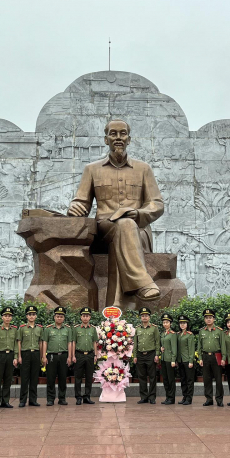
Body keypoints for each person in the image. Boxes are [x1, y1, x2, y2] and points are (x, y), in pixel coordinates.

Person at [67, 119, 165, 303]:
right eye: (113, 134)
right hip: (103, 230)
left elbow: (157, 204)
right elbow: (81, 202)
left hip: (139, 229)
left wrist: (139, 214)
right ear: (106, 139)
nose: (118, 138)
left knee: (126, 226)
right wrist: (75, 207)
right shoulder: (92, 169)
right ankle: (142, 284)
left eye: (123, 134)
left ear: (129, 139)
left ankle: (113, 315)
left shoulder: (144, 169)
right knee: (123, 227)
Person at [41, 306, 72, 406]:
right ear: (54, 317)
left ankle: (62, 398)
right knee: (51, 378)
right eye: (58, 316)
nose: (59, 318)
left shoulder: (68, 329)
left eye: (61, 316)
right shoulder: (48, 329)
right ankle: (50, 399)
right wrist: (43, 356)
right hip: (51, 356)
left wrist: (70, 356)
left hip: (63, 355)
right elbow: (44, 342)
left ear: (64, 318)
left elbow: (69, 343)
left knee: (63, 378)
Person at [197, 308, 226, 407]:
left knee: (218, 379)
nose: (208, 319)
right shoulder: (201, 331)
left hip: (216, 356)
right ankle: (209, 398)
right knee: (207, 379)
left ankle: (219, 399)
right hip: (205, 356)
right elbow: (199, 346)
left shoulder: (219, 331)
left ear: (214, 319)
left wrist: (223, 358)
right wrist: (200, 358)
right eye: (206, 318)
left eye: (210, 317)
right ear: (204, 320)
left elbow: (223, 345)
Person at [0, 306, 18, 409]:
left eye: (9, 316)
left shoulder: (14, 330)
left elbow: (15, 344)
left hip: (10, 355)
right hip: (0, 355)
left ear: (11, 318)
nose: (7, 318)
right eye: (5, 316)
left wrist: (15, 357)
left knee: (8, 379)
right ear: (2, 317)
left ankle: (5, 400)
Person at [133, 306, 160, 404]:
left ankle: (152, 397)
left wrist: (157, 354)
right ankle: (144, 396)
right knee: (142, 376)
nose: (144, 317)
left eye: (146, 316)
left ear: (149, 317)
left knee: (152, 377)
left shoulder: (154, 328)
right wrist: (135, 355)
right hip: (140, 355)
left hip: (151, 354)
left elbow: (157, 342)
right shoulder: (137, 329)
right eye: (142, 316)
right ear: (140, 317)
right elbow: (135, 343)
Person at [18, 305, 43, 407]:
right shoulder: (22, 328)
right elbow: (19, 342)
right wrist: (19, 356)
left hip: (36, 354)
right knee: (24, 377)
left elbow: (41, 343)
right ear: (26, 316)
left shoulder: (40, 329)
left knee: (34, 377)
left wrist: (41, 356)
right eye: (29, 314)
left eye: (33, 314)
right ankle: (22, 400)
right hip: (25, 354)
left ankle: (33, 400)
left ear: (36, 316)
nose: (31, 316)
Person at [73, 307, 99, 405]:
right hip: (79, 354)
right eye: (83, 316)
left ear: (90, 317)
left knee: (89, 377)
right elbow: (74, 343)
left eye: (87, 316)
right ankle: (78, 397)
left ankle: (87, 396)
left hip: (90, 355)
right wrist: (73, 355)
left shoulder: (92, 329)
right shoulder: (76, 329)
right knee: (78, 377)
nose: (85, 318)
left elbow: (94, 342)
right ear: (81, 317)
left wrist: (95, 355)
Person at [176, 314, 196, 405]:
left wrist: (191, 360)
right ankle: (184, 396)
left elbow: (192, 349)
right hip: (180, 360)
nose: (182, 325)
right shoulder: (178, 334)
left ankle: (189, 398)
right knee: (183, 379)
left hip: (187, 360)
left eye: (184, 323)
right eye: (181, 323)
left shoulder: (189, 335)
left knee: (189, 380)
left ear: (187, 324)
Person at [159, 313, 178, 405]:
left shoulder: (173, 334)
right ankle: (167, 397)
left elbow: (174, 348)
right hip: (163, 358)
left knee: (171, 379)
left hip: (170, 359)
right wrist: (161, 348)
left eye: (167, 322)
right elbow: (162, 345)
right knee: (165, 379)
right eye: (164, 322)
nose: (165, 324)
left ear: (170, 323)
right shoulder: (163, 333)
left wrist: (173, 360)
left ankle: (172, 398)